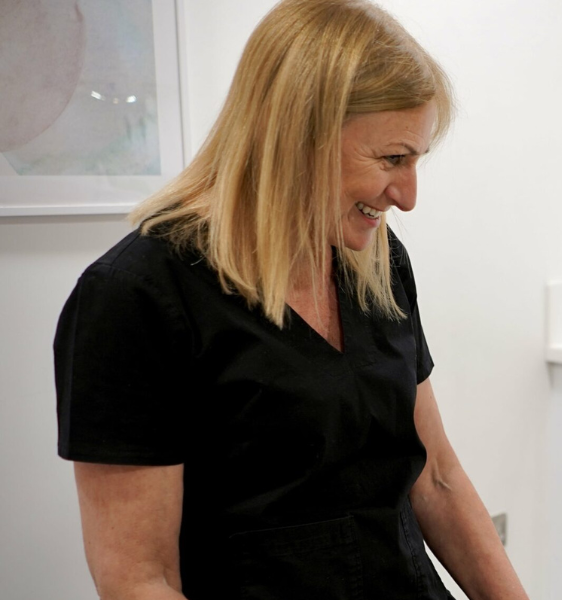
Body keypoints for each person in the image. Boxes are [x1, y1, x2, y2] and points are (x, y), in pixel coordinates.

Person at [52, 1, 528, 598]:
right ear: (298, 136)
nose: (407, 196)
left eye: (416, 160)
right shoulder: (137, 298)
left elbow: (436, 480)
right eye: (392, 159)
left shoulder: (375, 263)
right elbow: (138, 579)